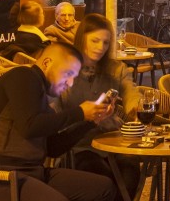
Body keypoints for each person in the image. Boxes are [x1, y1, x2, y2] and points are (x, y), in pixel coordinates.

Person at [0, 42, 115, 201]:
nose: (70, 83)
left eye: (74, 77)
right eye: (68, 74)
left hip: (32, 173)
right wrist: (80, 112)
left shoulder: (42, 98)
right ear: (46, 63)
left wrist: (90, 121)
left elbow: (53, 149)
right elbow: (30, 127)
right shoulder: (23, 76)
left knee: (103, 187)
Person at [60, 15, 140, 201]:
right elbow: (54, 107)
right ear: (81, 39)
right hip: (80, 143)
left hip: (112, 139)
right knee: (101, 179)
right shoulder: (66, 69)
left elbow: (130, 91)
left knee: (130, 172)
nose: (100, 48)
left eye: (105, 42)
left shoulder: (115, 68)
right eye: (95, 41)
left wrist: (135, 107)